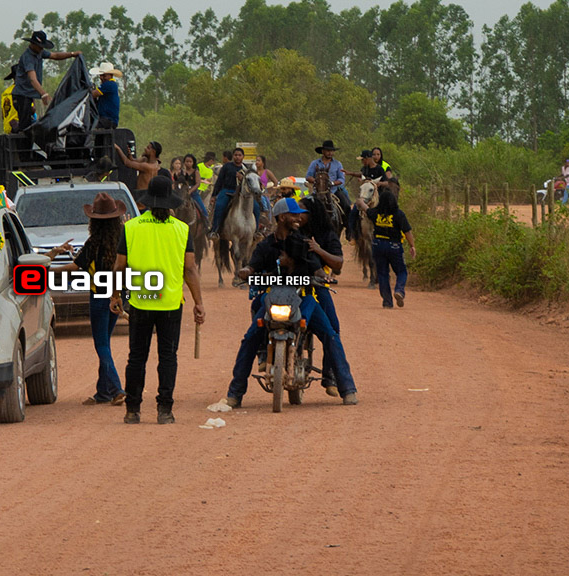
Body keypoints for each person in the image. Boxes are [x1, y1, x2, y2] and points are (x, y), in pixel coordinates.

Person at [223, 201, 358, 407]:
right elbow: (253, 265)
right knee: (250, 338)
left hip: (303, 299)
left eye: (299, 215)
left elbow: (317, 269)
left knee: (330, 335)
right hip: (273, 298)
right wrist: (246, 271)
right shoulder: (266, 245)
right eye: (293, 215)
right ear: (281, 217)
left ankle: (347, 388)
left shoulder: (304, 243)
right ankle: (235, 393)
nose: (298, 218)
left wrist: (322, 276)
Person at [114, 175, 205, 424]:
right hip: (170, 304)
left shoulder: (131, 228)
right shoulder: (182, 229)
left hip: (140, 302)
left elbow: (119, 266)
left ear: (147, 202)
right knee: (168, 357)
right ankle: (165, 410)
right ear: (170, 202)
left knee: (136, 357)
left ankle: (132, 410)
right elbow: (190, 269)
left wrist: (115, 295)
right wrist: (198, 302)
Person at [69, 192, 128, 404]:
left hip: (99, 296)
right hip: (118, 295)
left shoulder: (94, 242)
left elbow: (76, 266)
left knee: (101, 345)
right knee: (106, 343)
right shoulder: (123, 239)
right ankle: (103, 392)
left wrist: (48, 268)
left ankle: (117, 389)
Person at [11, 30, 79, 131]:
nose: (41, 48)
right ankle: (17, 134)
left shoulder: (39, 52)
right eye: (40, 46)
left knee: (28, 122)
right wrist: (43, 94)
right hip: (21, 95)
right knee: (24, 126)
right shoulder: (28, 58)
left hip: (28, 95)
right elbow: (32, 79)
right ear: (33, 44)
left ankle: (18, 131)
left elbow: (55, 56)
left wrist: (72, 54)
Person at [371, 182, 415, 308]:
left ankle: (387, 302)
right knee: (401, 271)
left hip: (377, 245)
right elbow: (407, 232)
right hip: (394, 246)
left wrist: (360, 202)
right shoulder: (399, 214)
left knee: (383, 274)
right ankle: (399, 290)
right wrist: (412, 245)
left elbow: (365, 209)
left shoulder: (375, 213)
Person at [93, 63, 122, 131]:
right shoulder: (109, 85)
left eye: (104, 76)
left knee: (88, 127)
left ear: (111, 75)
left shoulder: (109, 84)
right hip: (105, 119)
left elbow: (93, 94)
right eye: (101, 75)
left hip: (108, 120)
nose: (101, 78)